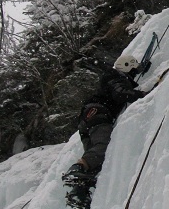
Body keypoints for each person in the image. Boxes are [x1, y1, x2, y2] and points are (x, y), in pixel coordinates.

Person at [61, 52, 157, 208]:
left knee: (97, 160)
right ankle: (76, 170)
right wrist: (144, 94)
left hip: (88, 119)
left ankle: (79, 193)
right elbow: (121, 94)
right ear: (126, 67)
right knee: (102, 147)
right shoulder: (114, 76)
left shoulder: (112, 78)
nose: (133, 75)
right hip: (98, 113)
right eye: (132, 70)